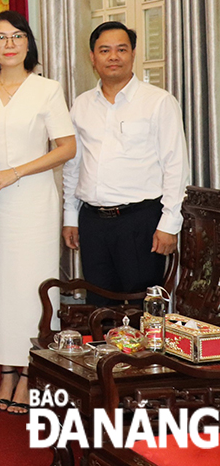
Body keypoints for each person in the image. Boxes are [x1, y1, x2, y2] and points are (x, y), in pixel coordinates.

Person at [0, 11, 76, 415]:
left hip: (33, 204)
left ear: (28, 43)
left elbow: (66, 147)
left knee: (32, 290)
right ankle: (6, 373)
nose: (9, 43)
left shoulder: (47, 89)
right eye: (0, 37)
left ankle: (32, 373)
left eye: (16, 36)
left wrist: (17, 170)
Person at [63, 21, 189, 305]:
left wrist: (169, 223)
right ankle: (106, 353)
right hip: (92, 223)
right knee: (98, 307)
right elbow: (73, 166)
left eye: (121, 49)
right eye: (104, 50)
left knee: (141, 308)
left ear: (133, 54)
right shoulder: (81, 105)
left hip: (140, 222)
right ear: (93, 58)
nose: (113, 56)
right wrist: (70, 217)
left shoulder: (158, 102)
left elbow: (175, 166)